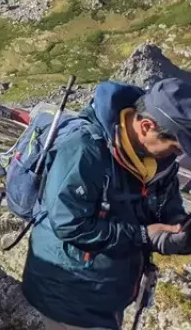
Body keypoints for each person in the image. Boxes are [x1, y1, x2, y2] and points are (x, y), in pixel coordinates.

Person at [21, 78, 191, 330]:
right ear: (146, 126)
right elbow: (71, 225)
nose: (178, 155)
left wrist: (180, 229)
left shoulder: (160, 164)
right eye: (176, 148)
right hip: (63, 297)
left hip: (109, 298)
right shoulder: (85, 148)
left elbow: (167, 209)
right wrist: (144, 236)